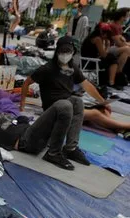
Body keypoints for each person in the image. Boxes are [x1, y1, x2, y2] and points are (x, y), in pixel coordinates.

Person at [20, 36, 108, 170]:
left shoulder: (73, 68)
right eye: (63, 51)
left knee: (77, 101)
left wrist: (102, 101)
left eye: (68, 51)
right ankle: (53, 153)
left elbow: (87, 85)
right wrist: (22, 105)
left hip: (65, 108)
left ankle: (71, 148)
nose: (65, 54)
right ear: (57, 51)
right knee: (66, 105)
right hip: (53, 111)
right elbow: (26, 83)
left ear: (73, 52)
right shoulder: (47, 69)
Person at [80, 23, 125, 88]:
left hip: (87, 61)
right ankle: (111, 82)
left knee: (111, 58)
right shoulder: (97, 39)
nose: (106, 36)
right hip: (90, 62)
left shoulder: (91, 37)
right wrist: (107, 46)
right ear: (102, 32)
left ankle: (111, 81)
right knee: (113, 60)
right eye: (106, 34)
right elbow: (103, 54)